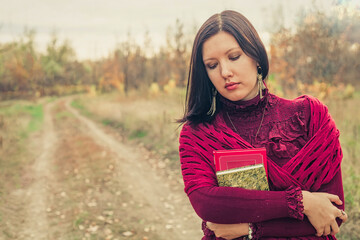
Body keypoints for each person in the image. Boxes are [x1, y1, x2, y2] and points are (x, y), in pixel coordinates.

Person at [178, 10, 348, 240]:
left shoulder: (309, 116)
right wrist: (301, 202)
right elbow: (207, 203)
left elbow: (333, 215)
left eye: (234, 57)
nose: (225, 72)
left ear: (256, 55)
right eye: (211, 64)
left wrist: (248, 229)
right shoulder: (198, 133)